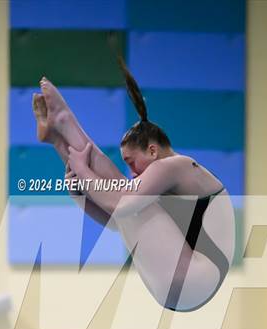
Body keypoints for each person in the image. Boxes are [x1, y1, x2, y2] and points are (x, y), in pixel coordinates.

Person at [32, 55, 235, 313]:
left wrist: (83, 170)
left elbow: (122, 206)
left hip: (196, 277)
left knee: (125, 197)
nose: (131, 171)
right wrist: (81, 196)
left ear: (152, 150)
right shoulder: (161, 186)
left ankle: (64, 122)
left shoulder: (175, 166)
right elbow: (119, 223)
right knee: (125, 200)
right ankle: (58, 138)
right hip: (184, 285)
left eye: (132, 162)